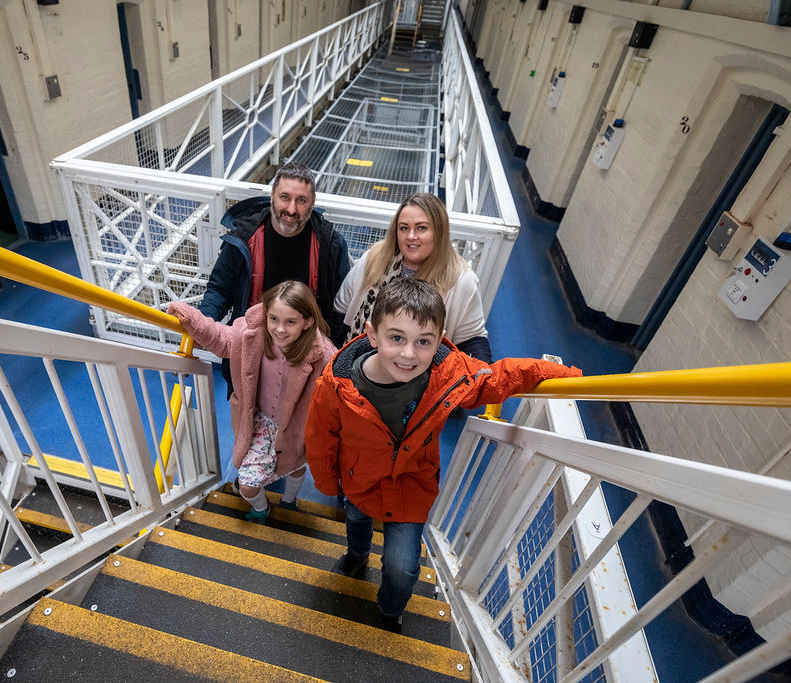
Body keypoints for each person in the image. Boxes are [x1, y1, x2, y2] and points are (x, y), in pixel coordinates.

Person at [305, 278, 581, 632]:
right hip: (359, 478)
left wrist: (560, 377)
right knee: (356, 521)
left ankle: (388, 611)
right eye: (396, 338)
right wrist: (328, 480)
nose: (408, 354)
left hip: (411, 485)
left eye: (423, 342)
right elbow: (320, 436)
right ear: (372, 335)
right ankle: (356, 557)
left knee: (403, 568)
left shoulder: (446, 373)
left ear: (440, 339)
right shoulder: (337, 384)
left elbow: (496, 378)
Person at [169, 280, 336, 523]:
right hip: (260, 421)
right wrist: (189, 316)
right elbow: (218, 336)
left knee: (297, 463)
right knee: (247, 485)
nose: (280, 329)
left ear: (307, 322)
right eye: (274, 319)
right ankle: (262, 508)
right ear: (266, 314)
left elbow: (338, 392)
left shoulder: (324, 356)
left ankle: (290, 501)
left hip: (297, 427)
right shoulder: (251, 335)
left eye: (291, 321)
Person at [199, 162, 351, 393]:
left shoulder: (330, 245)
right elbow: (220, 289)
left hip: (305, 360)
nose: (291, 209)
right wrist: (202, 323)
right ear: (272, 196)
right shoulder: (245, 238)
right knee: (245, 417)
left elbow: (340, 306)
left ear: (312, 203)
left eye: (301, 200)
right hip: (251, 353)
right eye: (285, 197)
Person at [333, 192, 493, 363]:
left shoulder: (461, 280)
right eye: (404, 228)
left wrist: (483, 377)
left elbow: (472, 342)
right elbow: (340, 311)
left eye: (421, 228)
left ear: (439, 232)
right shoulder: (374, 258)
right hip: (358, 363)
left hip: (416, 375)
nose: (411, 236)